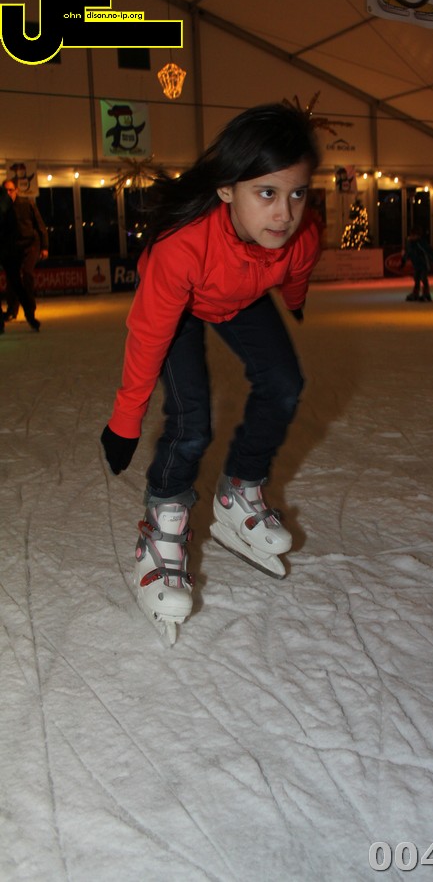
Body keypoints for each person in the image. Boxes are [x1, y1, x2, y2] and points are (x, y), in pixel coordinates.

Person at [100, 103, 322, 642]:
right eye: (266, 193)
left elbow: (297, 272)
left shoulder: (301, 235)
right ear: (227, 188)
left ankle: (238, 492)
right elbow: (148, 336)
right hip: (181, 302)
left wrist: (294, 302)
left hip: (238, 297)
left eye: (297, 193)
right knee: (191, 421)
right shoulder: (181, 246)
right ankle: (163, 524)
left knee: (285, 384)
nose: (285, 213)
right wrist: (125, 421)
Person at [2, 179, 48, 322]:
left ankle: (30, 309)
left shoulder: (27, 203)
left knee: (27, 273)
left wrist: (45, 247)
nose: (8, 193)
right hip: (14, 246)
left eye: (10, 190)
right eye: (5, 191)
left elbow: (40, 226)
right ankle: (12, 310)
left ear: (16, 190)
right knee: (12, 277)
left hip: (31, 244)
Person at [401, 230, 433, 301]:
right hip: (416, 264)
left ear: (418, 236)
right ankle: (415, 293)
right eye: (411, 235)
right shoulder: (409, 244)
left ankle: (426, 294)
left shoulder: (421, 243)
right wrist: (403, 261)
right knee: (416, 278)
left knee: (423, 278)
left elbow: (428, 251)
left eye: (414, 235)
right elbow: (407, 253)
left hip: (424, 264)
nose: (412, 237)